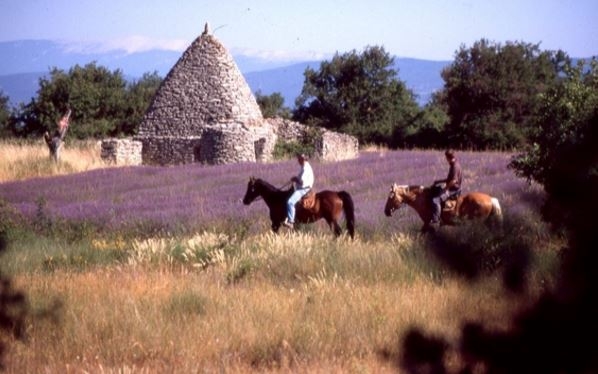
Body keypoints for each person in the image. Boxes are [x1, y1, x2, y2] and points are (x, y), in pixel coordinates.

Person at [430, 149, 463, 226]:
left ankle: (436, 220)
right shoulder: (454, 164)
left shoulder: (455, 166)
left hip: (454, 190)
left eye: (446, 158)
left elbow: (454, 181)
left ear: (448, 158)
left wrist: (445, 189)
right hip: (452, 188)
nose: (446, 160)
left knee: (436, 200)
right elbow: (449, 179)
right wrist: (439, 181)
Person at [283, 153, 314, 229]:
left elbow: (302, 182)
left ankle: (291, 221)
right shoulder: (305, 166)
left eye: (299, 159)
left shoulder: (305, 168)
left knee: (290, 202)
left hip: (304, 189)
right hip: (303, 187)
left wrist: (295, 179)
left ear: (302, 159)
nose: (298, 161)